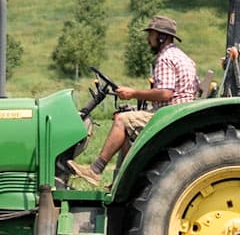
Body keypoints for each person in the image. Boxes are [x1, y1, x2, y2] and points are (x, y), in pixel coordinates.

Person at [68, 13, 197, 187]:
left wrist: (133, 93)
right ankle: (121, 183)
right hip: (180, 112)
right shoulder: (184, 57)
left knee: (122, 120)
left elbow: (166, 93)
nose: (147, 39)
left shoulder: (166, 58)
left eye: (150, 34)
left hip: (169, 114)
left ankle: (95, 170)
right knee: (129, 128)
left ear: (161, 37)